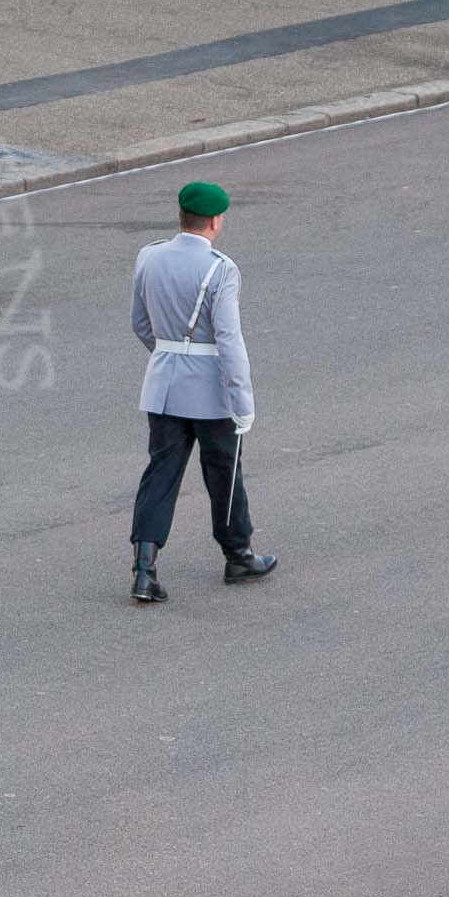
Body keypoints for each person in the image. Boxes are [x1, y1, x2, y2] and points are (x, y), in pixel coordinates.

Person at [128, 181, 276, 602]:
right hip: (211, 394)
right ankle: (238, 555)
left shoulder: (149, 257)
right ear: (214, 221)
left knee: (160, 474)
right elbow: (229, 341)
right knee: (224, 475)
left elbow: (140, 324)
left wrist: (169, 357)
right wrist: (242, 401)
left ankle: (144, 568)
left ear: (181, 217)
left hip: (164, 387)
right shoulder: (220, 269)